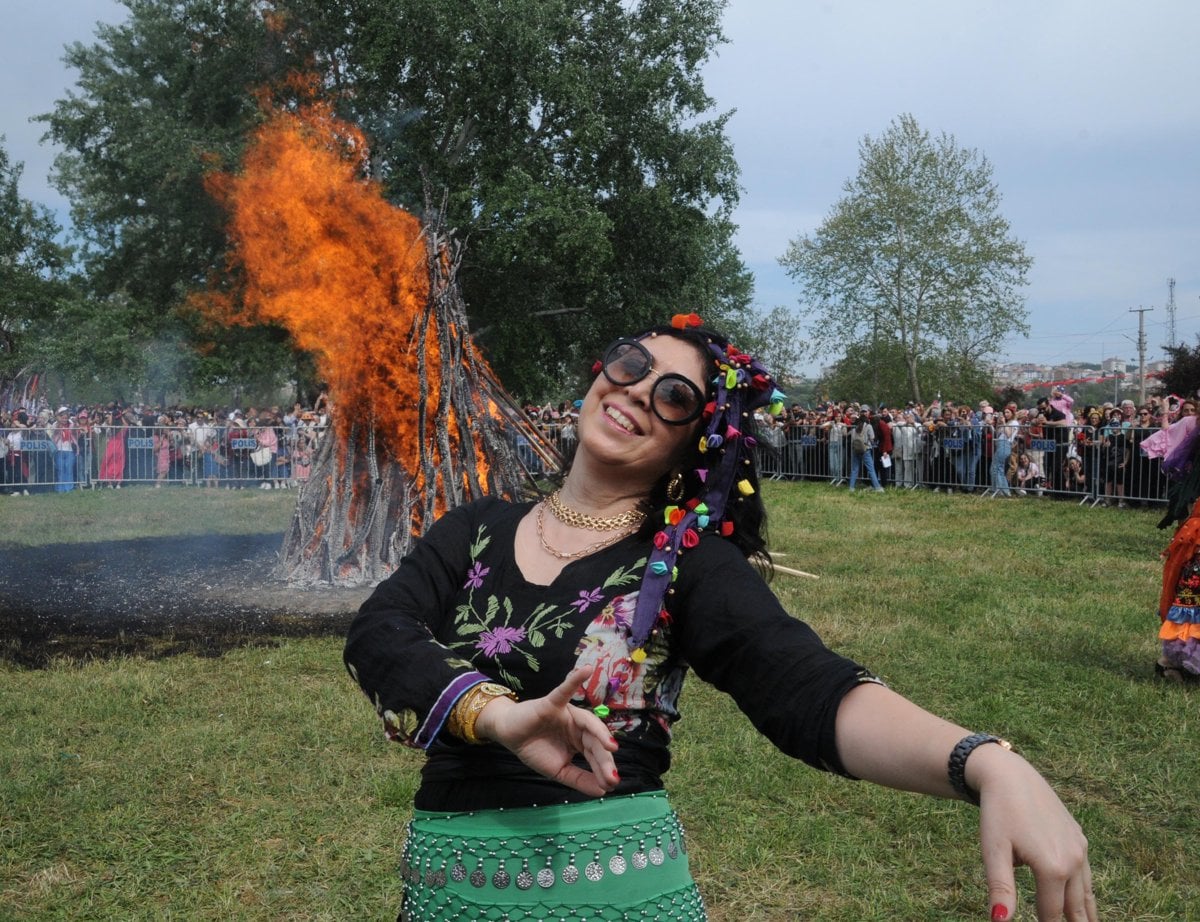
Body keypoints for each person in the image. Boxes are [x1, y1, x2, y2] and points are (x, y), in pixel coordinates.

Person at [344, 315, 1095, 922]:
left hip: (610, 892)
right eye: (630, 364)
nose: (640, 392)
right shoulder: (475, 526)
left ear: (693, 441)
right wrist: (498, 716)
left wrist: (985, 762)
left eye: (674, 396)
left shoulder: (680, 561)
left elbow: (802, 685)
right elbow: (380, 633)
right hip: (445, 892)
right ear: (598, 376)